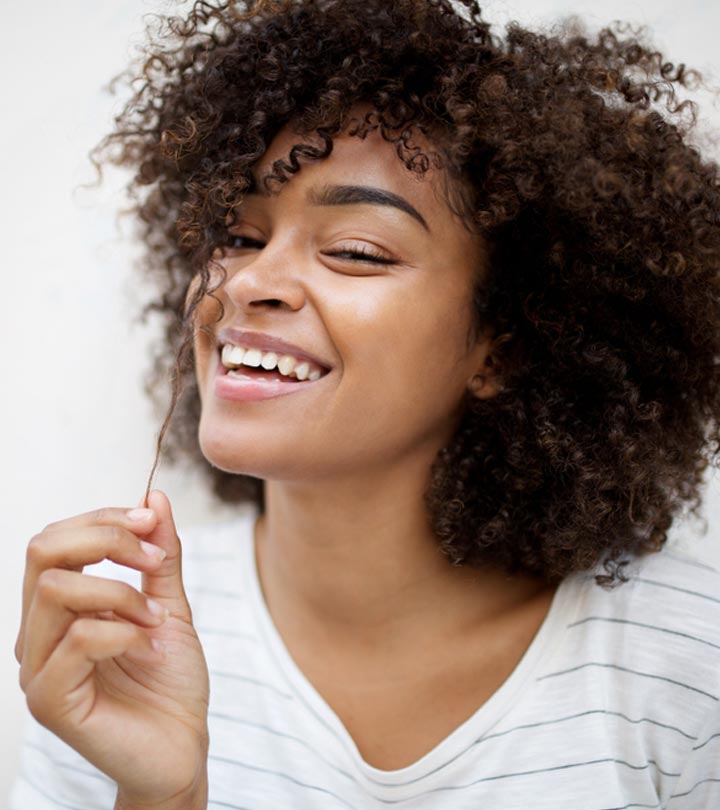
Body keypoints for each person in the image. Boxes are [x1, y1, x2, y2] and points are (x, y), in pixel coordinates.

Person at [10, 0, 720, 807]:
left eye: (354, 251)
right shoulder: (114, 645)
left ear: (505, 346)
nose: (246, 283)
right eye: (238, 237)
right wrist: (161, 797)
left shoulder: (690, 668)